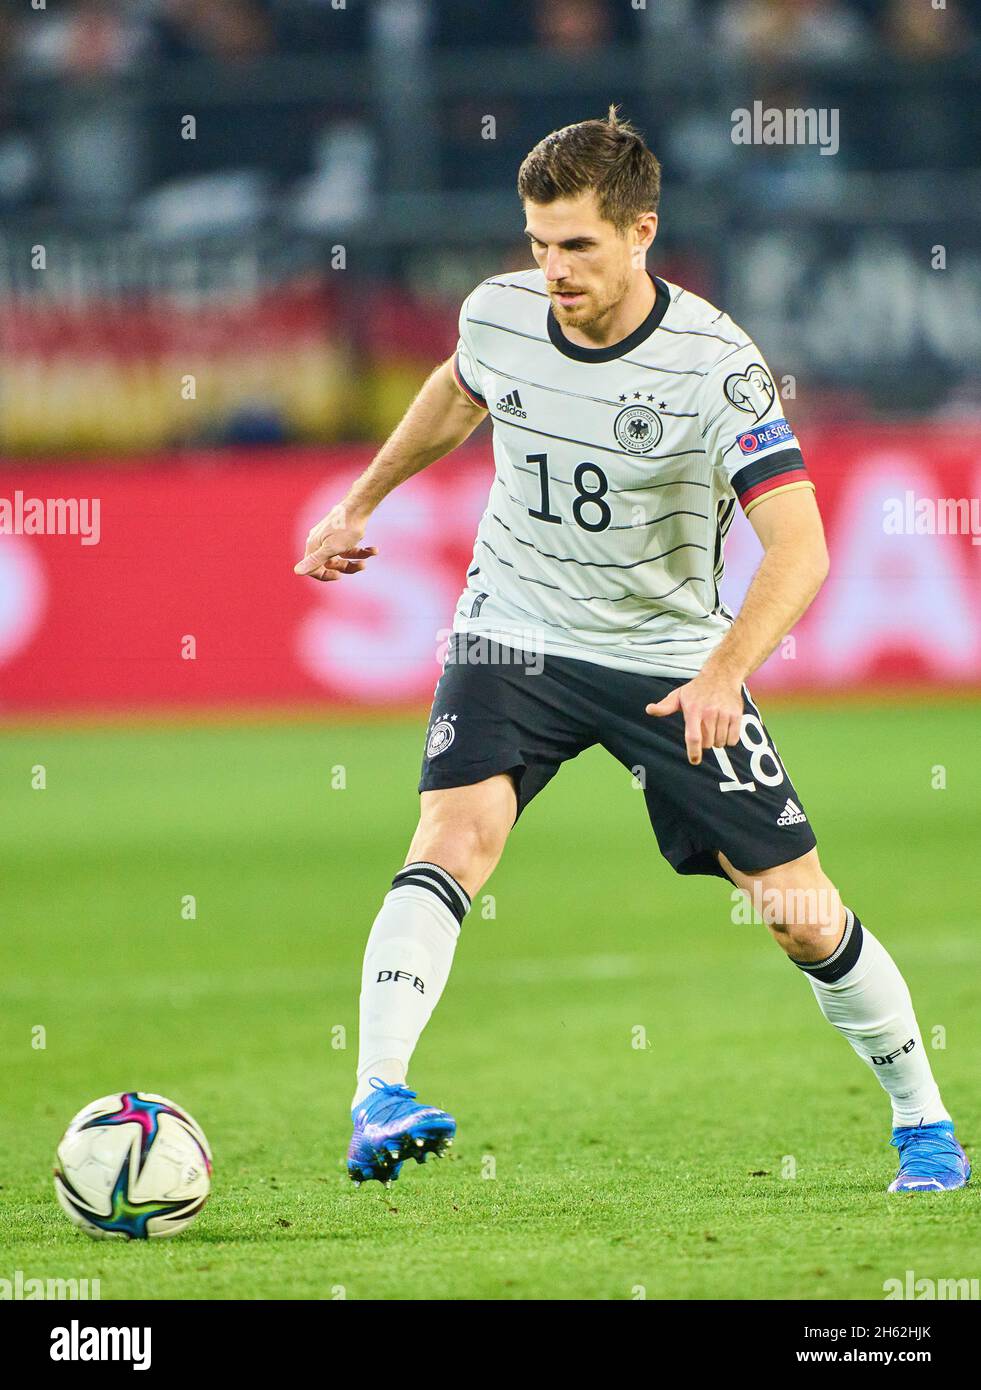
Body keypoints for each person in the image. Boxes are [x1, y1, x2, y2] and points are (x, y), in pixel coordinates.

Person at [295, 109, 968, 1196]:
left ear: (641, 231)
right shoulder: (502, 313)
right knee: (453, 836)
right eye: (537, 242)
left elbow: (800, 547)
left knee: (797, 909)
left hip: (667, 656)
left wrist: (723, 674)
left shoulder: (717, 367)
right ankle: (379, 1093)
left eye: (577, 246)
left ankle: (924, 1122)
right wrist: (359, 498)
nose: (550, 270)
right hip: (514, 629)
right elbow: (460, 389)